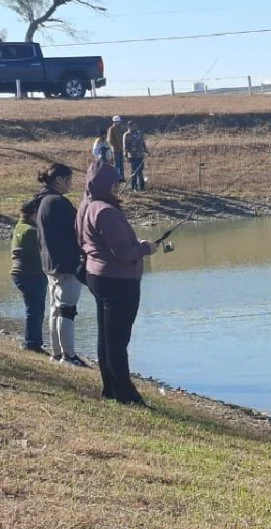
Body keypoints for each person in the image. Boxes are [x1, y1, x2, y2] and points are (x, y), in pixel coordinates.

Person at [76, 160, 161, 405]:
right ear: (104, 184)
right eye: (114, 183)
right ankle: (126, 394)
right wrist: (146, 248)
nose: (116, 188)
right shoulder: (106, 212)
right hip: (118, 281)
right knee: (118, 339)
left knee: (106, 336)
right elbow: (123, 252)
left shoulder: (85, 206)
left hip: (97, 277)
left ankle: (111, 388)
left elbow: (83, 241)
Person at [31, 163, 86, 367]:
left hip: (50, 264)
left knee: (56, 308)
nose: (71, 183)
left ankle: (57, 353)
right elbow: (78, 229)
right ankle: (68, 356)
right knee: (67, 310)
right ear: (59, 180)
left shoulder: (43, 201)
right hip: (65, 265)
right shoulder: (57, 203)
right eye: (69, 179)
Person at [10, 199, 48, 354]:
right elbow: (41, 255)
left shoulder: (19, 227)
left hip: (18, 273)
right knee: (35, 309)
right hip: (31, 274)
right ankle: (32, 343)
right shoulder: (31, 231)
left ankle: (32, 341)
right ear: (34, 213)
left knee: (32, 308)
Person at [123, 121, 148, 192]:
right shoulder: (127, 135)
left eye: (135, 126)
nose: (135, 127)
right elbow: (125, 147)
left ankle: (142, 187)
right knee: (134, 171)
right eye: (133, 126)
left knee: (140, 171)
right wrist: (126, 156)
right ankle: (134, 187)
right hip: (133, 156)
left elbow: (142, 143)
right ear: (129, 127)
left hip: (140, 155)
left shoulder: (139, 133)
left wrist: (146, 151)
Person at [106, 115, 127, 181]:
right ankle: (117, 178)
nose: (119, 123)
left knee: (121, 164)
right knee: (116, 164)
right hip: (115, 150)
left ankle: (122, 177)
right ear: (114, 122)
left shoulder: (122, 128)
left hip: (121, 149)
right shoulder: (111, 129)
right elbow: (110, 140)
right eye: (118, 121)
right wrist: (115, 147)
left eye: (119, 121)